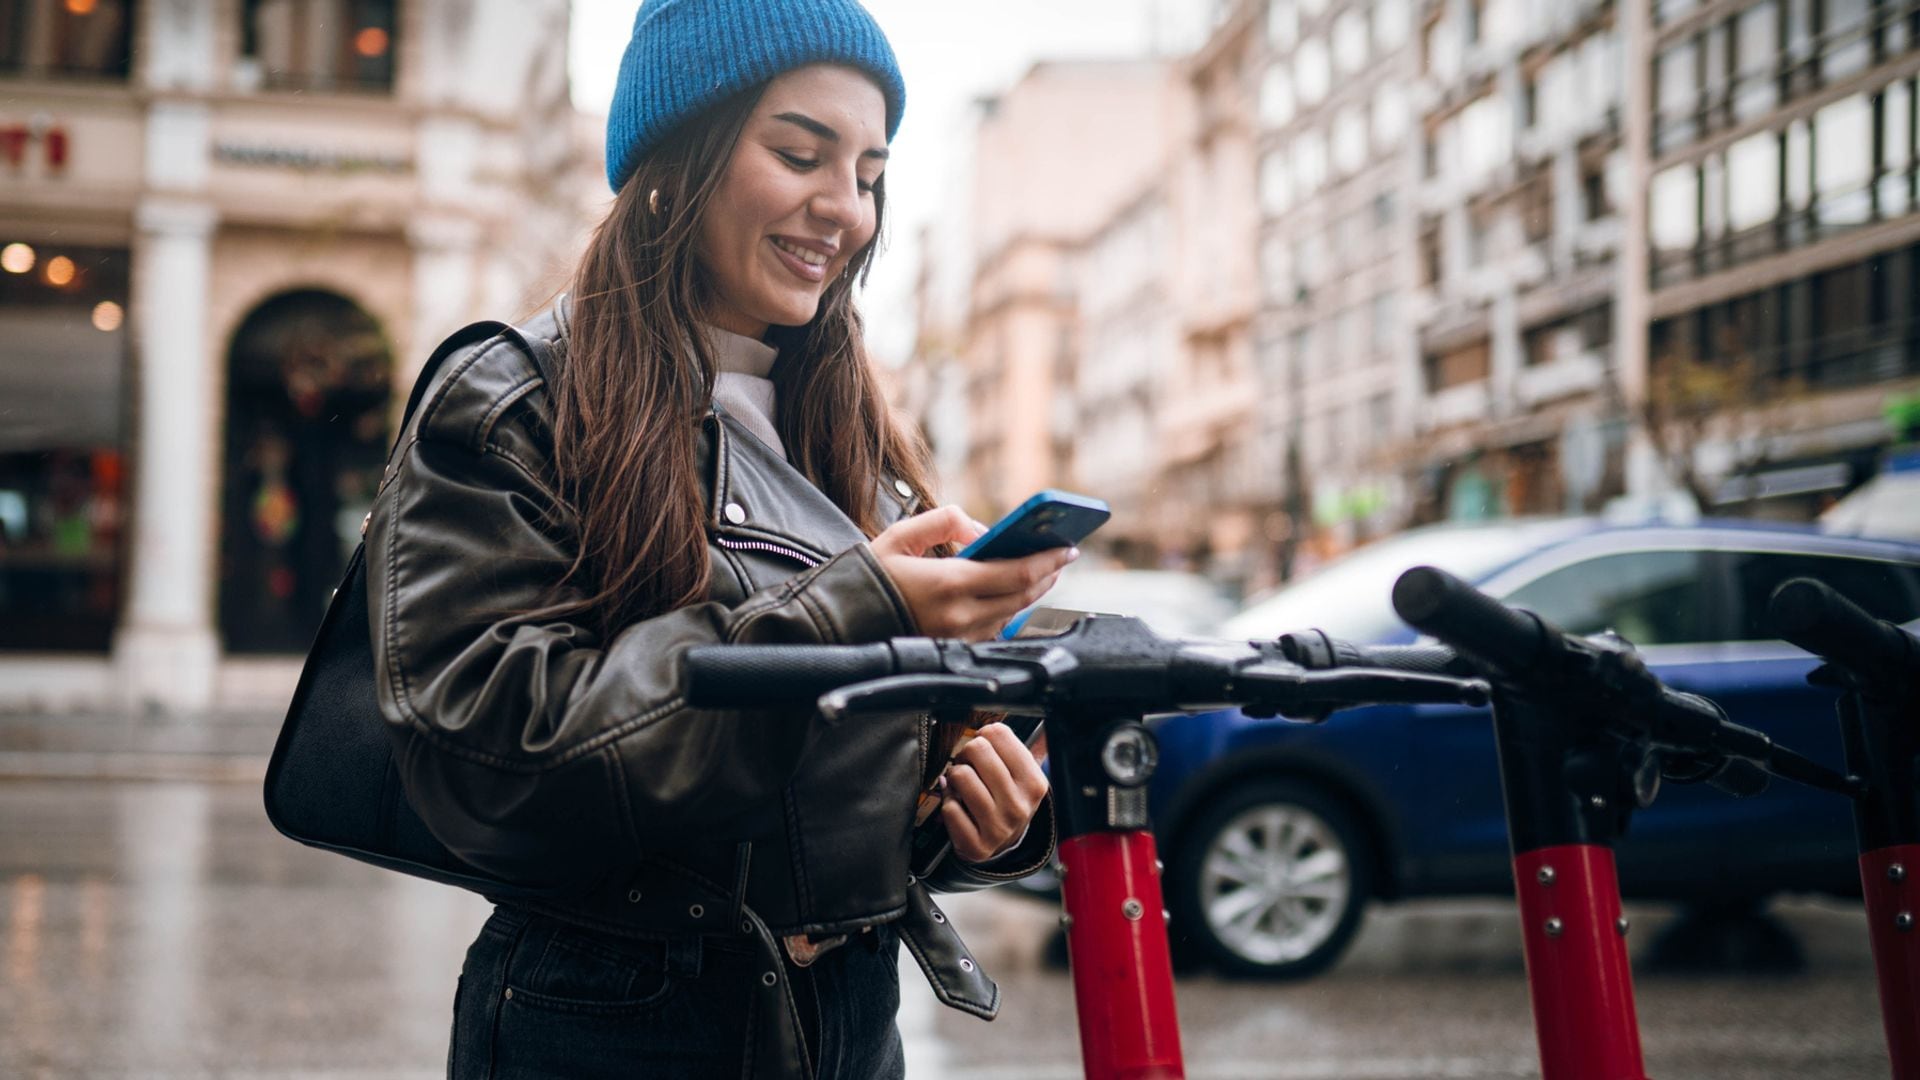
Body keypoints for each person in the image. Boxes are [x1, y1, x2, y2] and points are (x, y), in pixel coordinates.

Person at [364, 0, 1066, 1076]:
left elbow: (834, 795)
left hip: (850, 1016)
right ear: (676, 154)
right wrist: (854, 611)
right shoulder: (513, 402)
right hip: (611, 1019)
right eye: (800, 154)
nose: (847, 210)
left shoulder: (858, 440)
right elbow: (485, 753)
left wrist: (979, 811)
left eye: (871, 175)